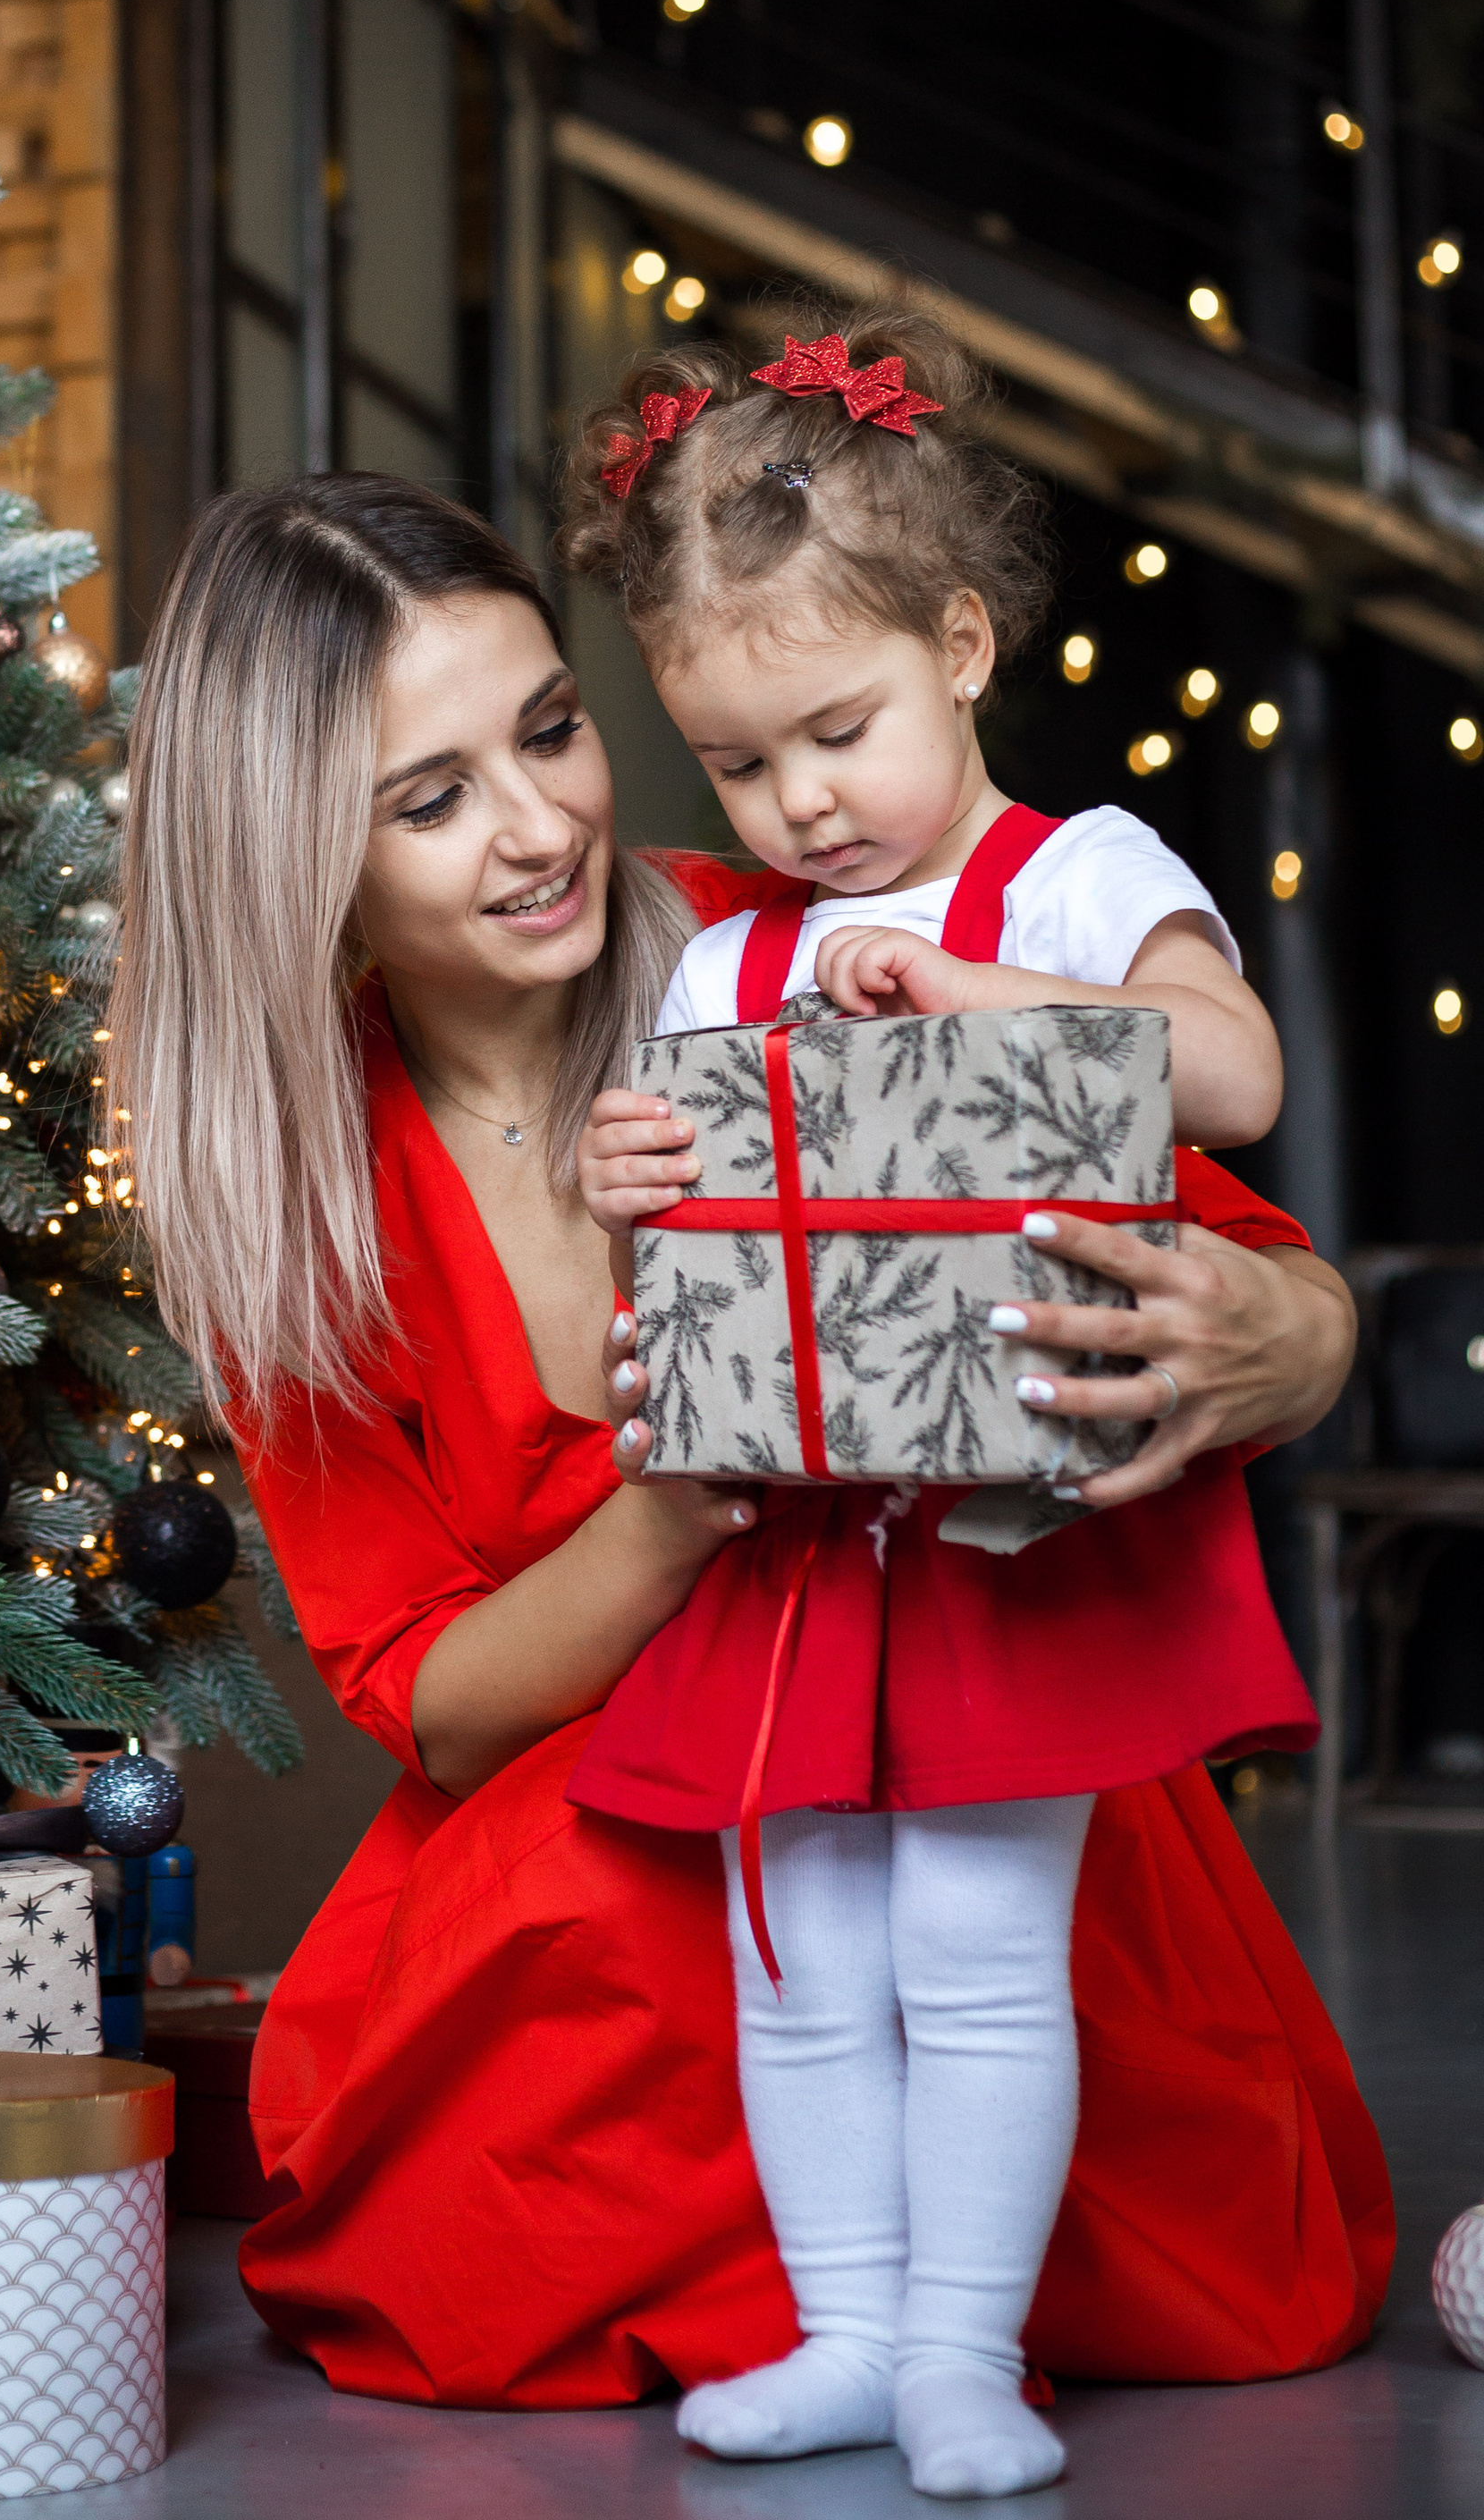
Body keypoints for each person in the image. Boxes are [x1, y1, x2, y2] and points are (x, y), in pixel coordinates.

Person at [106, 468, 1389, 2421]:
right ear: (296, 860)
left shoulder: (788, 940)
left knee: (970, 1943)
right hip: (605, 1792)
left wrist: (1283, 1342)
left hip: (955, 1705)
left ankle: (917, 2324)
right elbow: (435, 1705)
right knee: (640, 1898)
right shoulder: (296, 1200)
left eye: (548, 730)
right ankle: (848, 2322)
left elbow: (1225, 1240)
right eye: (430, 798)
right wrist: (686, 1498)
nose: (541, 827)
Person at [566, 313, 1338, 2499]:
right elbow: (701, 1245)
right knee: (796, 1949)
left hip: (1017, 1542)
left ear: (963, 644)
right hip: (801, 1547)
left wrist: (985, 986)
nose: (797, 804)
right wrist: (632, 1184)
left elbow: (1236, 1078)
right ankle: (844, 2330)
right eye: (732, 766)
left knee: (982, 1945)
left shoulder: (1077, 876)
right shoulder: (722, 961)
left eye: (836, 731)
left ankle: (962, 2358)